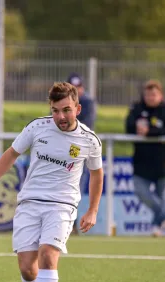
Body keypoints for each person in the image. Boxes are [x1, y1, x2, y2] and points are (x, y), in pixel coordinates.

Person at [0, 82, 104, 282]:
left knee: (48, 254)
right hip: (30, 202)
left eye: (66, 110)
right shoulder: (37, 127)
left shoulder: (89, 140)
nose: (60, 116)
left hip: (62, 205)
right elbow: (12, 153)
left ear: (78, 108)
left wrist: (92, 210)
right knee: (27, 268)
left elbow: (96, 175)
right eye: (55, 110)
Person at [125, 79, 165, 237]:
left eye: (154, 94)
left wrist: (150, 132)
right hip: (142, 163)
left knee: (162, 197)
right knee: (141, 193)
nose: (150, 97)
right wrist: (136, 129)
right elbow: (128, 127)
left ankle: (156, 227)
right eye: (148, 94)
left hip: (163, 163)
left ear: (160, 95)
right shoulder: (136, 108)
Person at [67, 73, 97, 235]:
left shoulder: (87, 102)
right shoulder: (62, 102)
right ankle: (68, 222)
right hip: (64, 149)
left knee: (75, 187)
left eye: (78, 88)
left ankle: (71, 223)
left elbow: (84, 127)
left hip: (78, 149)